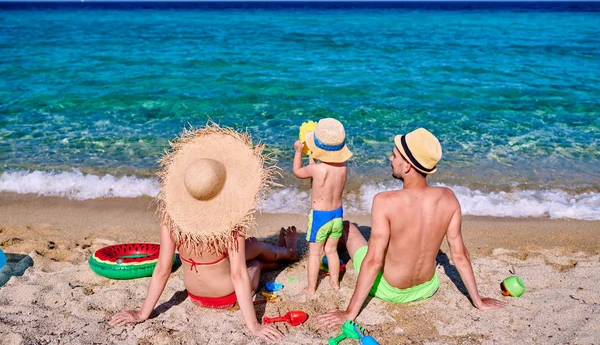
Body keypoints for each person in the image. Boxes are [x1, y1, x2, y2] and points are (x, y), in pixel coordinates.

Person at [108, 123, 298, 343]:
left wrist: (142, 313)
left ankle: (278, 254)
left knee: (250, 248)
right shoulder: (230, 223)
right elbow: (238, 275)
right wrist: (253, 326)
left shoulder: (172, 219)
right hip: (227, 297)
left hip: (195, 296)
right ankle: (286, 253)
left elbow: (162, 269)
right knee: (253, 259)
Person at [317, 128, 505, 327]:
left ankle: (324, 253)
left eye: (395, 155)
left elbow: (373, 261)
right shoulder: (448, 198)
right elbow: (459, 255)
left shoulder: (384, 201)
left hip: (389, 289)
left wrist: (349, 313)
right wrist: (477, 300)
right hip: (427, 287)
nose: (391, 158)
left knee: (348, 228)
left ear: (407, 166)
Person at [293, 118, 352, 295]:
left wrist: (298, 152)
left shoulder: (317, 170)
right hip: (337, 215)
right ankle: (335, 284)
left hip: (320, 217)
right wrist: (313, 156)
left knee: (314, 254)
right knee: (331, 251)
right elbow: (320, 170)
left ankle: (311, 288)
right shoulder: (344, 166)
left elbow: (298, 172)